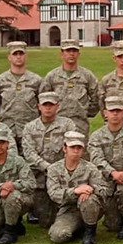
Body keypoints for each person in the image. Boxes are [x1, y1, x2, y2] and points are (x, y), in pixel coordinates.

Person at [46, 131, 110, 244]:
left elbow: (105, 190)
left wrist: (91, 189)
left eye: (79, 148)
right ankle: (79, 227)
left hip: (91, 208)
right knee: (58, 236)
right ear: (64, 148)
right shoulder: (54, 169)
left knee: (88, 199)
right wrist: (76, 191)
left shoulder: (90, 168)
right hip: (68, 209)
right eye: (72, 147)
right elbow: (53, 194)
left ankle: (90, 233)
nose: (76, 151)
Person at [88, 97, 123, 239]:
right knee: (112, 225)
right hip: (106, 179)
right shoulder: (97, 136)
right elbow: (96, 159)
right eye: (112, 111)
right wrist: (112, 172)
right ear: (105, 113)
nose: (115, 114)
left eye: (118, 110)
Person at [21, 91, 74, 228]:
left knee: (63, 215)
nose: (48, 108)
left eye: (51, 105)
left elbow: (72, 149)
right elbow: (29, 152)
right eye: (45, 105)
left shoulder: (67, 125)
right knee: (45, 222)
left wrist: (58, 169)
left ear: (57, 106)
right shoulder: (30, 127)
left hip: (62, 176)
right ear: (39, 106)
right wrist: (46, 166)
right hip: (39, 177)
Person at [41, 41, 101, 135]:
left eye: (74, 51)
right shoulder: (52, 76)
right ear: (62, 54)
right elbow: (43, 98)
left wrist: (85, 112)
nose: (71, 54)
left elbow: (96, 97)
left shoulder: (87, 75)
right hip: (57, 125)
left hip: (80, 125)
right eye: (68, 51)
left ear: (79, 54)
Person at [0, 41, 43, 145]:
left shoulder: (36, 80)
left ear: (26, 56)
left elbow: (42, 105)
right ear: (9, 57)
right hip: (7, 130)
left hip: (30, 131)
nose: (18, 57)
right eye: (15, 54)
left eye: (21, 54)